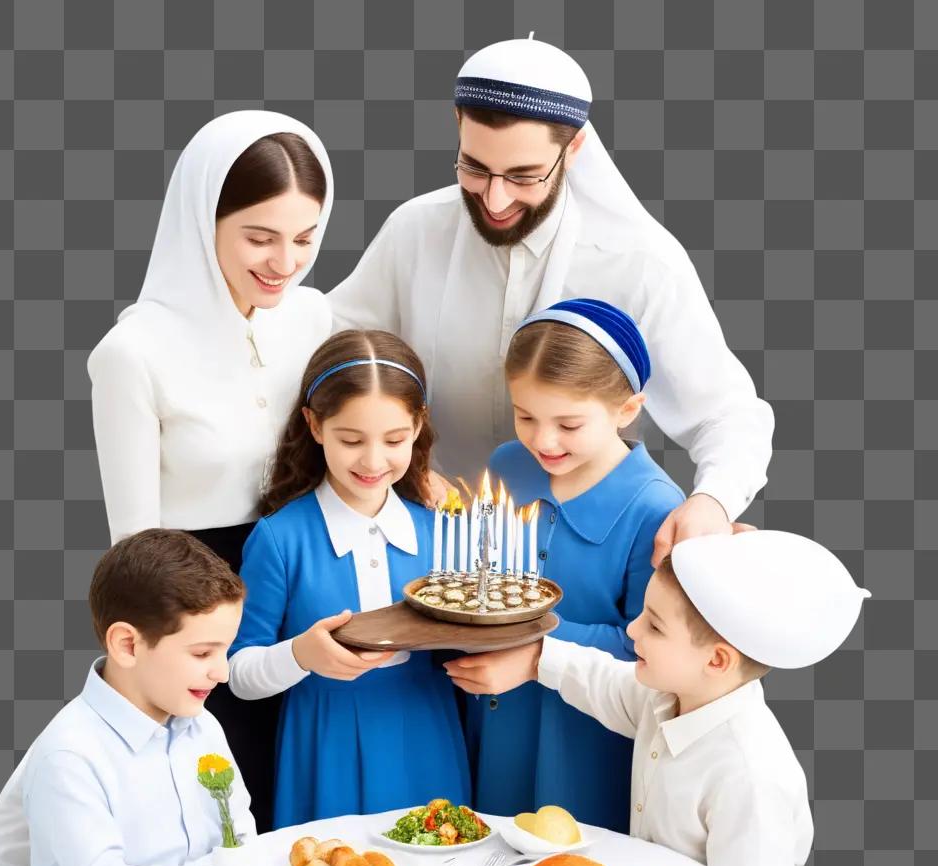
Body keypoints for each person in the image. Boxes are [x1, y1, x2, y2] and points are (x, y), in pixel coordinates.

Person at [329, 35, 773, 563]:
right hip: (424, 538)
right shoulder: (414, 231)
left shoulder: (640, 262)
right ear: (457, 127)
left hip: (586, 553)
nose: (495, 199)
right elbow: (332, 356)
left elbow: (726, 413)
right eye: (474, 168)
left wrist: (712, 501)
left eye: (523, 176)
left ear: (574, 149)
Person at [88, 111, 335, 829]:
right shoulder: (134, 354)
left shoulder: (311, 318)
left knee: (318, 809)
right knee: (227, 814)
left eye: (305, 238)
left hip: (307, 589)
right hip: (198, 610)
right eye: (259, 238)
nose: (285, 263)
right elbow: (133, 556)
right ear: (203, 222)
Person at [445, 530, 871, 866]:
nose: (632, 631)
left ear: (717, 660)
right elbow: (606, 683)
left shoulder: (750, 773)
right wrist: (536, 659)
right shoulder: (668, 698)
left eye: (655, 626)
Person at [227, 330, 471, 828]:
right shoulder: (280, 539)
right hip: (324, 746)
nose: (374, 461)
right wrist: (300, 654)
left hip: (426, 735)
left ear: (419, 425)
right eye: (351, 440)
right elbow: (238, 674)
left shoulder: (442, 532)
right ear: (314, 426)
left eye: (395, 440)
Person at [466, 299, 684, 828]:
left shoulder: (655, 508)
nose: (543, 440)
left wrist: (535, 646)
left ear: (627, 409)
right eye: (525, 416)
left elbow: (647, 646)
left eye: (568, 423)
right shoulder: (507, 467)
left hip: (585, 730)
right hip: (492, 713)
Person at [0, 530, 255, 866]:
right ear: (127, 645)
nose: (223, 671)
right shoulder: (70, 757)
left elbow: (242, 835)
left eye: (226, 649)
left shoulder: (203, 727)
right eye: (202, 653)